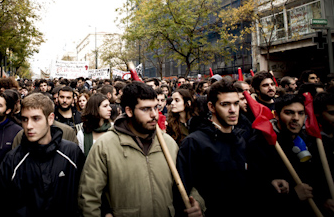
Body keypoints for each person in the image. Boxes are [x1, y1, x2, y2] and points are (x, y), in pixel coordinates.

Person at [78, 81, 202, 217]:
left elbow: (188, 184)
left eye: (155, 108)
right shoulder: (105, 146)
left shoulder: (168, 144)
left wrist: (197, 203)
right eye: (145, 109)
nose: (154, 114)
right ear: (129, 111)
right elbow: (89, 198)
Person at [0, 93, 85, 216]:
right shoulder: (12, 160)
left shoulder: (71, 153)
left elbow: (85, 195)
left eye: (36, 118)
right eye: (24, 119)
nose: (28, 126)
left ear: (50, 119)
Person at [248, 93, 334, 216]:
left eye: (301, 113)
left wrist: (324, 199)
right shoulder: (259, 144)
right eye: (289, 113)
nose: (296, 118)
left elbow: (320, 176)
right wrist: (293, 195)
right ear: (276, 115)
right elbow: (256, 189)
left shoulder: (313, 141)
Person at [176, 78, 250, 217]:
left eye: (236, 104)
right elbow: (183, 187)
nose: (233, 110)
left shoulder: (242, 141)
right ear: (211, 106)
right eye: (225, 104)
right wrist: (194, 204)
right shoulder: (194, 143)